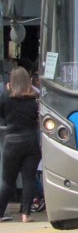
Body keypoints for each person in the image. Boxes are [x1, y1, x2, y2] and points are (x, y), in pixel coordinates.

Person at [0, 67, 41, 223]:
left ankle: (0, 212)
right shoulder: (35, 98)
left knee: (7, 181)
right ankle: (26, 215)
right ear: (27, 80)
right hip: (31, 141)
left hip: (12, 141)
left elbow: (2, 114)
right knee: (29, 179)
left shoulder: (5, 97)